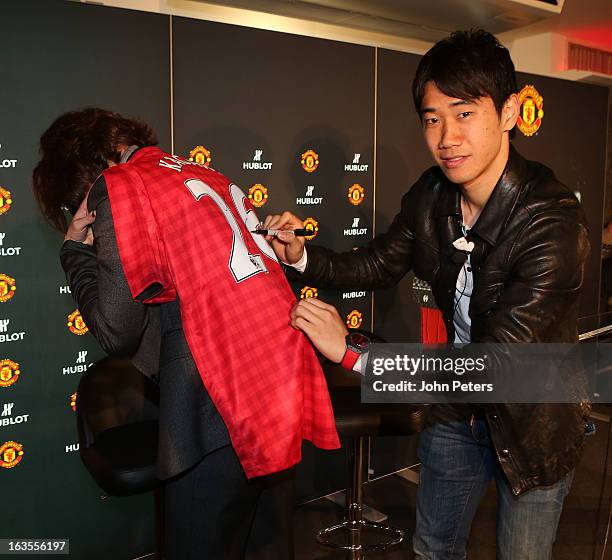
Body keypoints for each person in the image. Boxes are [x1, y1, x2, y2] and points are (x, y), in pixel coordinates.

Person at [264, 30, 591, 559]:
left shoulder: (551, 221)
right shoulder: (431, 193)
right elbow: (379, 262)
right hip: (454, 414)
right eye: (432, 118)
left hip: (534, 424)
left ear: (509, 112)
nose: (446, 137)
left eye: (464, 114)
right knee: (433, 550)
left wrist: (352, 354)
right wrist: (299, 256)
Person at [32, 108, 339, 560]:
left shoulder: (120, 185)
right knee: (264, 544)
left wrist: (76, 252)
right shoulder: (205, 173)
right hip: (275, 388)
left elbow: (116, 330)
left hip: (215, 404)